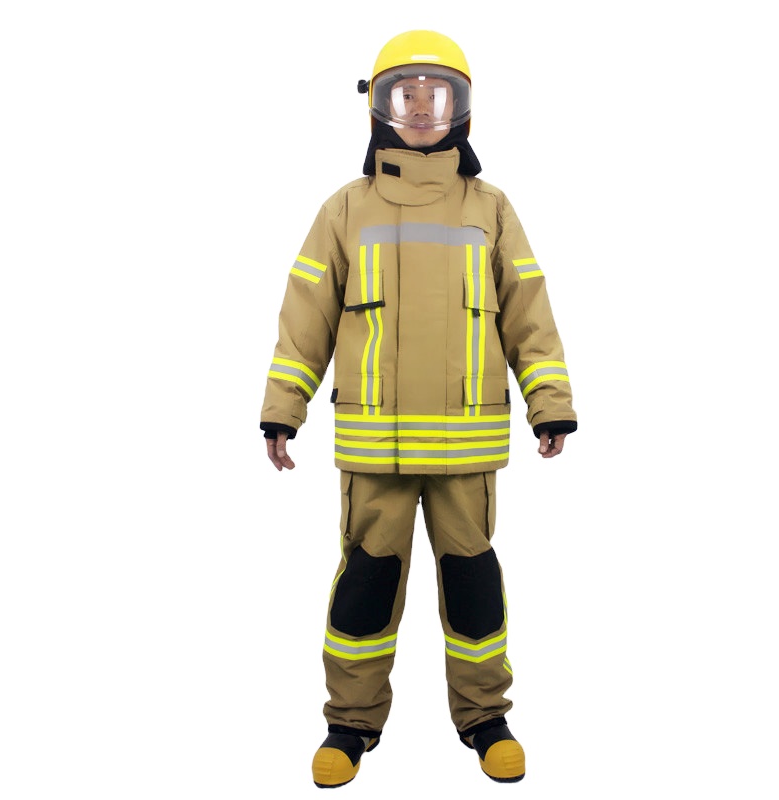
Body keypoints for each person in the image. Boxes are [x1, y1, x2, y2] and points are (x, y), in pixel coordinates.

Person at [260, 30, 577, 787]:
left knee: (473, 588)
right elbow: (306, 315)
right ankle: (349, 723)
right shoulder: (345, 209)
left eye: (441, 94)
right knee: (365, 590)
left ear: (464, 109)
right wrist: (283, 407)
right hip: (375, 448)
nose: (425, 109)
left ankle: (486, 717)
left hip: (467, 445)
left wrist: (549, 401)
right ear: (377, 106)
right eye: (407, 94)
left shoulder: (491, 207)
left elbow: (527, 310)